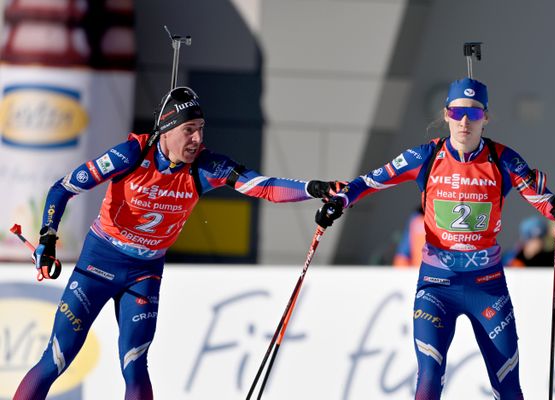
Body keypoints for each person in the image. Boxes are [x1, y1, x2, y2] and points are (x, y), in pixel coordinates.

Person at [13, 86, 342, 400]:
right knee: (58, 357)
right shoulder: (132, 153)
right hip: (99, 264)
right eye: (189, 129)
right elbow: (63, 188)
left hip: (144, 273)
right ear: (166, 130)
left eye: (201, 128)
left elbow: (264, 186)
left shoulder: (206, 166)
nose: (197, 138)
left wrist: (314, 188)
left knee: (135, 364)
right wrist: (48, 238)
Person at [315, 77, 555, 399]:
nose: (465, 121)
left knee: (508, 387)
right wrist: (339, 202)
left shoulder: (503, 159)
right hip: (437, 286)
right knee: (428, 379)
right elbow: (369, 181)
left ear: (486, 118)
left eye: (475, 114)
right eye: (457, 112)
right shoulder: (427, 155)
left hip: (487, 287)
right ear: (446, 114)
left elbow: (543, 201)